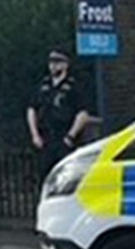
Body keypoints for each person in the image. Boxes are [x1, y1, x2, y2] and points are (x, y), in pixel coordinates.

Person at [27, 49, 92, 180]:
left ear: (65, 65)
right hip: (46, 139)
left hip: (63, 137)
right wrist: (35, 135)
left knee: (66, 177)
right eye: (51, 62)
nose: (53, 66)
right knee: (46, 177)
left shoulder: (74, 87)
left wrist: (70, 137)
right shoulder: (43, 86)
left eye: (57, 62)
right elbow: (31, 109)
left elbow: (83, 114)